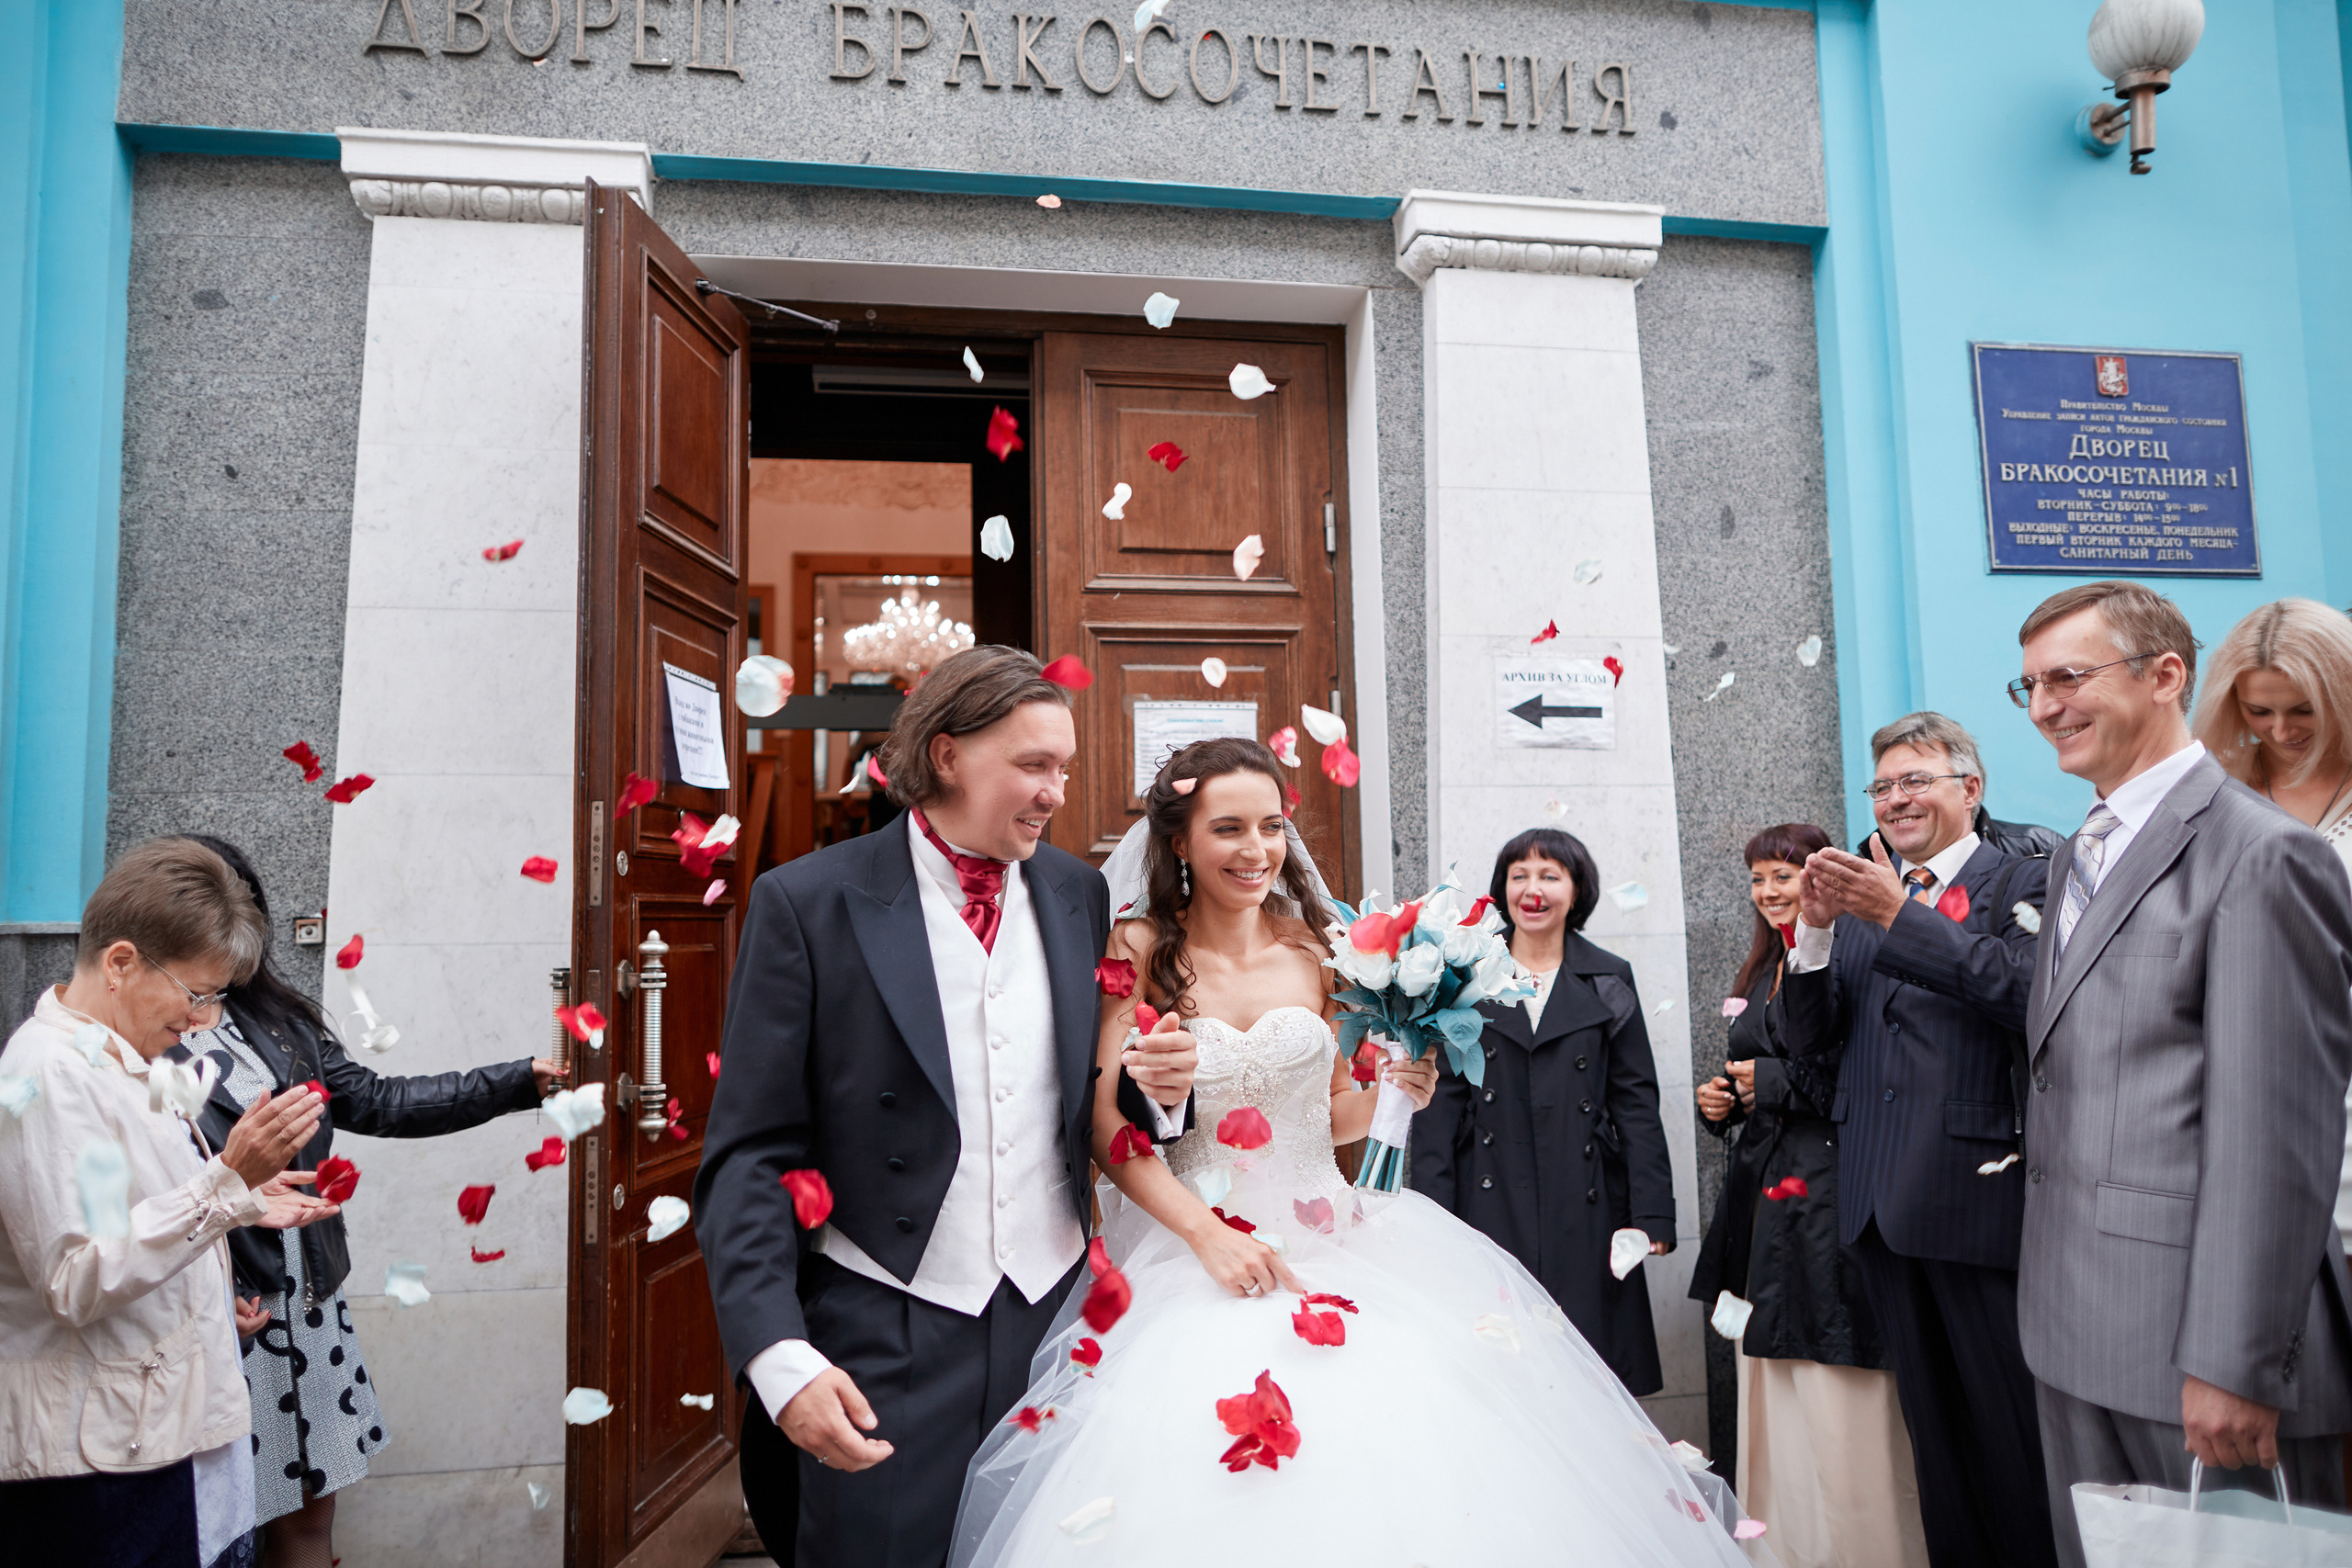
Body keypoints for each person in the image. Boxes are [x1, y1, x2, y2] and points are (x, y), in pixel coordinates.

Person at [947, 742, 1768, 1567]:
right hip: (1195, 1247)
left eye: (1271, 826)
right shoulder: (1137, 948)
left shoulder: (1313, 950)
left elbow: (1331, 1107)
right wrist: (1208, 1235)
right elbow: (1108, 1130)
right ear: (1181, 841)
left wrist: (1396, 1095)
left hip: (1336, 1237)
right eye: (1228, 827)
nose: (1257, 849)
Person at [693, 645, 1198, 1568]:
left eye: (1065, 769)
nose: (1055, 792)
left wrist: (1154, 1094)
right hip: (883, 1328)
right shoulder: (806, 904)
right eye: (1033, 766)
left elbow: (1077, 1094)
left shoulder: (1077, 893)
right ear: (947, 756)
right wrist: (777, 1355)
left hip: (1056, 1321)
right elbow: (750, 1155)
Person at [2013, 581, 2352, 1567]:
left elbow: (2272, 1132)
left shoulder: (2264, 857)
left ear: (2166, 676)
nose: (2044, 708)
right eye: (2028, 685)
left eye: (2069, 677)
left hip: (2196, 1361)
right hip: (2073, 1329)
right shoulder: (2077, 848)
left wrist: (2234, 1363)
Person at [172, 836, 562, 1568]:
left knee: (310, 1522)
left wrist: (517, 1081)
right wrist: (209, 1290)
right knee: (219, 1533)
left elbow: (381, 1101)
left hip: (309, 1301)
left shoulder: (277, 1019)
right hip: (226, 1313)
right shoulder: (140, 1036)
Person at [0, 838, 336, 1568]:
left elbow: (144, 1213)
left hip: (152, 1429)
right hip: (103, 1462)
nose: (203, 1020)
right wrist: (224, 1185)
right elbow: (81, 1271)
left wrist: (242, 1198)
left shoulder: (120, 1056)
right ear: (120, 963)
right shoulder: (52, 1075)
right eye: (198, 993)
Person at [1779, 711, 2055, 1568]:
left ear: (1970, 789)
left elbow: (2020, 992)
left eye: (1916, 780)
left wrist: (1899, 912)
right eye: (1883, 785)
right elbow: (1807, 1041)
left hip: (1980, 1198)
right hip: (1877, 1203)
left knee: (2011, 1435)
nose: (1896, 799)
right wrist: (1818, 933)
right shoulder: (1862, 897)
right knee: (1935, 1446)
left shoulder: (2029, 880)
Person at [1692, 824, 1928, 1568]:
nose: (1769, 891)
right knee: (1775, 1388)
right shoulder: (1765, 963)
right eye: (1759, 877)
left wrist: (1777, 1083)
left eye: (1784, 875)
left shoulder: (1857, 955)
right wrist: (1723, 1102)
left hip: (1833, 1201)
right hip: (1767, 1204)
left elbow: (1877, 1073)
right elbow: (1761, 1071)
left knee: (1838, 1383)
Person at [1412, 826, 1675, 1394]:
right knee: (1501, 1377)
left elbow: (1635, 1102)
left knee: (1588, 1374)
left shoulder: (1608, 979)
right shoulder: (1466, 978)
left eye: (1550, 876)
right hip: (1486, 1202)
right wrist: (1431, 1219)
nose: (1533, 890)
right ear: (1502, 889)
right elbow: (1437, 1109)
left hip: (1586, 1205)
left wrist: (1652, 1214)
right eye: (1519, 876)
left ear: (1575, 891)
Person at [2190, 599, 2352, 1258]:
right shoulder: (2214, 795)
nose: (2281, 730)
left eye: (2303, 708)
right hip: (2246, 1078)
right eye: (2260, 711)